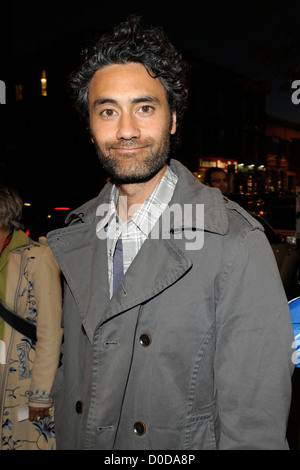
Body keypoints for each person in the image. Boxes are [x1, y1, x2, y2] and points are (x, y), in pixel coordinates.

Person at [47, 16, 295, 450]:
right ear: (90, 127)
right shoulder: (77, 237)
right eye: (107, 111)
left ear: (173, 119)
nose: (126, 130)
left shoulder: (235, 242)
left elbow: (253, 425)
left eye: (145, 107)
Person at [0, 185, 63, 450]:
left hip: (22, 378)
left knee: (22, 440)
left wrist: (40, 396)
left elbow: (50, 331)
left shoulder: (36, 256)